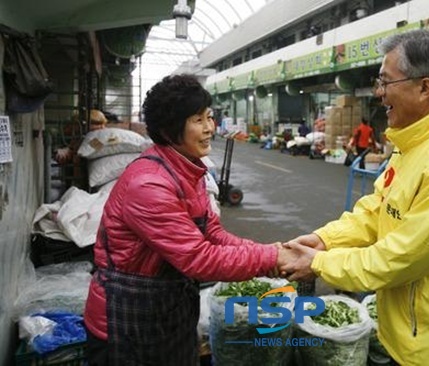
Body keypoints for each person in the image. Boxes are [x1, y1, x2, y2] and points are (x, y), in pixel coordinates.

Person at [279, 29, 429, 365]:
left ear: (424, 87)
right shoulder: (413, 144)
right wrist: (324, 240)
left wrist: (319, 263)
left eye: (386, 82)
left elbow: (401, 258)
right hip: (410, 329)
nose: (379, 93)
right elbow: (376, 210)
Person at [83, 74, 290, 365]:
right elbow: (199, 257)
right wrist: (274, 258)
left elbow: (213, 233)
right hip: (127, 321)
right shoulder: (149, 185)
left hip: (167, 311)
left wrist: (271, 251)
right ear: (169, 130)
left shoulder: (188, 170)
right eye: (198, 120)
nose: (209, 129)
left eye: (209, 117)